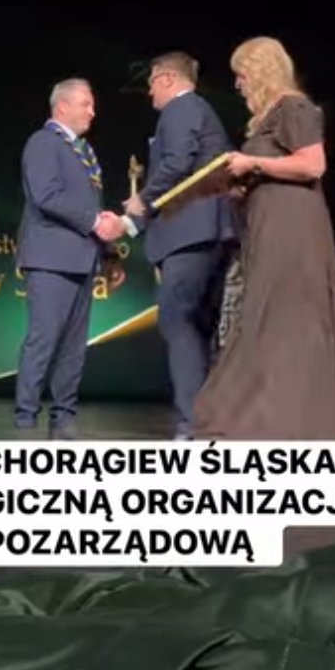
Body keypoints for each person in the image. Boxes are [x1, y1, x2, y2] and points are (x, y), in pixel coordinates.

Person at [192, 37, 335, 477]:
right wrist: (239, 185)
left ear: (261, 69)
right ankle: (272, 431)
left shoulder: (294, 109)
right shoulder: (265, 120)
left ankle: (298, 433)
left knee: (291, 322)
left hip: (294, 233)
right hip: (268, 231)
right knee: (271, 321)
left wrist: (253, 165)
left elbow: (312, 165)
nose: (238, 84)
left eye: (242, 74)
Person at [123, 51, 233, 440]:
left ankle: (193, 426)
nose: (149, 92)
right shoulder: (199, 110)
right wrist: (134, 221)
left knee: (177, 319)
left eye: (151, 82)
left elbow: (177, 164)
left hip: (191, 234)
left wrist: (142, 200)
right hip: (208, 233)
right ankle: (206, 424)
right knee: (199, 327)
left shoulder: (182, 108)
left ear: (167, 78)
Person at [14, 78, 125, 440]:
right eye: (85, 104)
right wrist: (95, 223)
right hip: (51, 258)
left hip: (82, 258)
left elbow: (90, 205)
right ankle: (26, 418)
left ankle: (64, 416)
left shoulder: (83, 150)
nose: (92, 112)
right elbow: (46, 196)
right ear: (62, 106)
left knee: (74, 347)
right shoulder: (43, 143)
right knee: (44, 339)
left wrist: (109, 254)